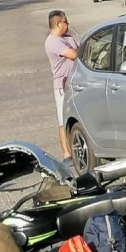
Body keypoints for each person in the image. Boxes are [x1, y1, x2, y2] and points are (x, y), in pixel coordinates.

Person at [44, 10, 78, 165]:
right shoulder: (53, 41)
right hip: (62, 85)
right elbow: (74, 54)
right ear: (58, 24)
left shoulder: (68, 37)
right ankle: (66, 154)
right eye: (66, 21)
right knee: (62, 119)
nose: (68, 24)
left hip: (75, 81)